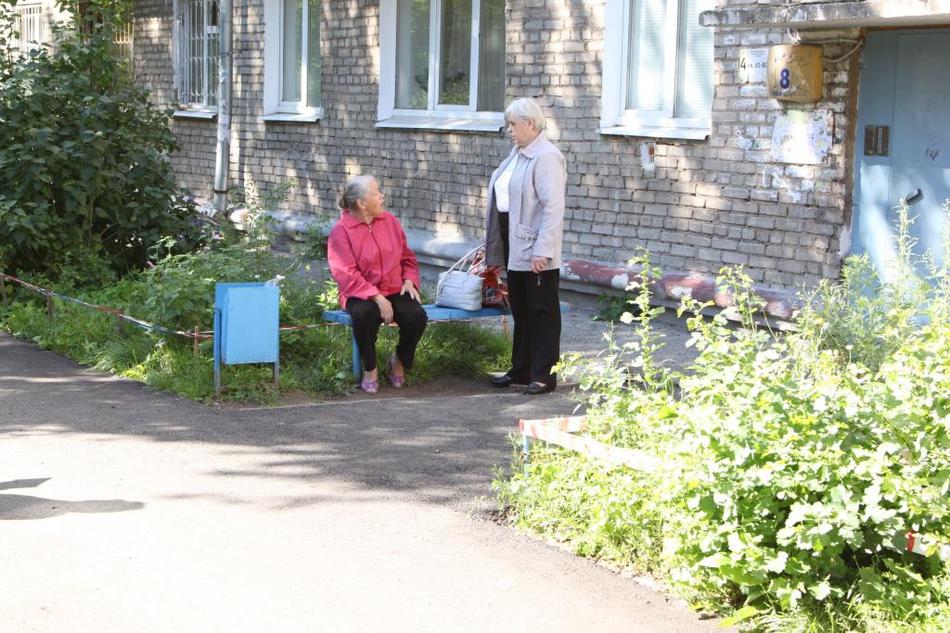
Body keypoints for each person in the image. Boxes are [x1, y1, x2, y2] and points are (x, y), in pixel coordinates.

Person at [484, 98, 567, 395]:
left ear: (531, 124)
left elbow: (553, 208)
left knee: (542, 309)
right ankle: (521, 368)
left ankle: (544, 374)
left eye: (513, 125)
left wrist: (543, 250)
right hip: (513, 240)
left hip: (535, 247)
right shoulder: (519, 152)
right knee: (520, 307)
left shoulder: (546, 156)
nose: (509, 130)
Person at [327, 175, 428, 394]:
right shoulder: (341, 231)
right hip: (359, 292)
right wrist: (376, 297)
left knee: (417, 316)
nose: (382, 196)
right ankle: (370, 368)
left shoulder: (390, 221)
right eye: (376, 193)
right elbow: (345, 273)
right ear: (362, 203)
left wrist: (410, 279)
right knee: (363, 315)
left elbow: (407, 257)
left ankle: (398, 360)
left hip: (394, 287)